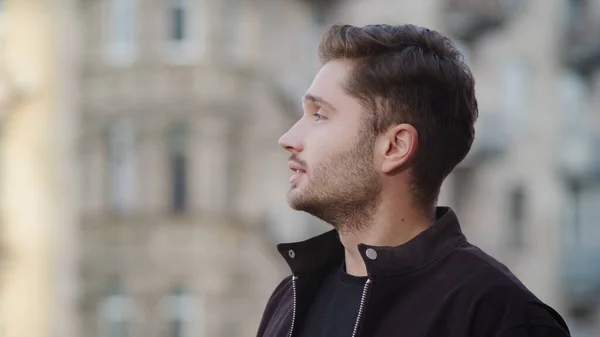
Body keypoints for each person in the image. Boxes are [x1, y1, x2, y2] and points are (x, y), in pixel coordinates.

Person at [256, 24, 571, 337]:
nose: (288, 138)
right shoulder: (290, 299)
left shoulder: (499, 316)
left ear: (395, 147)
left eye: (319, 115)